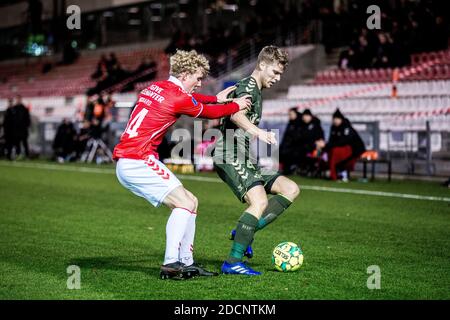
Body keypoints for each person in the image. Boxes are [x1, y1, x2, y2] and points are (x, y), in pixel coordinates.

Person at [113, 49, 252, 280]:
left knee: (192, 202)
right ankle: (171, 263)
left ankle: (186, 262)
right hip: (138, 160)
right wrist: (235, 105)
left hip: (133, 160)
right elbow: (207, 112)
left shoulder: (155, 87)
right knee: (184, 202)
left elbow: (194, 100)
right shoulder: (178, 97)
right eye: (197, 78)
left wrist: (216, 98)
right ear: (186, 73)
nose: (199, 83)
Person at [213, 46, 300, 276]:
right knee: (259, 201)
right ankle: (232, 262)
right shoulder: (249, 87)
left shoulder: (257, 90)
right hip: (229, 153)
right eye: (275, 72)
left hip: (244, 156)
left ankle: (245, 230)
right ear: (262, 65)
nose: (277, 78)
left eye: (280, 74)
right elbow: (235, 114)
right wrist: (259, 133)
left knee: (290, 189)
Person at [322, 108, 366, 182]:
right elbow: (331, 140)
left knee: (337, 153)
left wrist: (327, 145)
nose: (335, 121)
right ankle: (336, 173)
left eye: (337, 119)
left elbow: (343, 141)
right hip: (343, 150)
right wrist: (325, 146)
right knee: (331, 152)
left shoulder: (346, 127)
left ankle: (340, 174)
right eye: (334, 119)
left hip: (355, 150)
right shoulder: (334, 128)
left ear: (341, 119)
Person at [297, 109, 325, 174]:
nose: (305, 117)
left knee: (316, 152)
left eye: (306, 116)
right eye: (304, 116)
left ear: (310, 116)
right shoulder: (302, 125)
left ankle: (314, 168)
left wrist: (319, 142)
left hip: (314, 147)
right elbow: (302, 137)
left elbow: (320, 136)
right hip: (306, 146)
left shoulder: (316, 125)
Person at [279, 107, 302, 175]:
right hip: (288, 146)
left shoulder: (299, 124)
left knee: (288, 152)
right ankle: (284, 169)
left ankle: (288, 170)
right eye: (289, 114)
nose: (290, 116)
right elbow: (286, 137)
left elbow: (298, 137)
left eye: (291, 114)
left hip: (296, 146)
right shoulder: (290, 124)